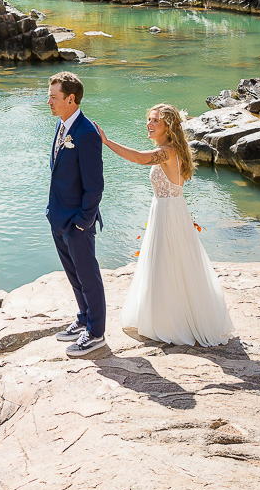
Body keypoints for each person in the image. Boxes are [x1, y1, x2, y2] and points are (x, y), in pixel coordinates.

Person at [98, 104, 235, 347]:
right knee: (167, 264)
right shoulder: (171, 150)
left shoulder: (168, 151)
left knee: (167, 263)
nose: (149, 124)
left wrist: (107, 142)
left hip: (169, 212)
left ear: (168, 127)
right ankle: (164, 316)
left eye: (155, 121)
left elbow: (140, 159)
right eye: (148, 119)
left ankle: (172, 321)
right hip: (169, 209)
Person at [46, 71, 106, 357]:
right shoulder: (61, 126)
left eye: (54, 97)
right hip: (58, 217)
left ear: (71, 98)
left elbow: (95, 186)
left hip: (76, 222)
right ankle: (84, 319)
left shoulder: (87, 133)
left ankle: (96, 333)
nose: (49, 102)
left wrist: (83, 222)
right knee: (73, 275)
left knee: (88, 275)